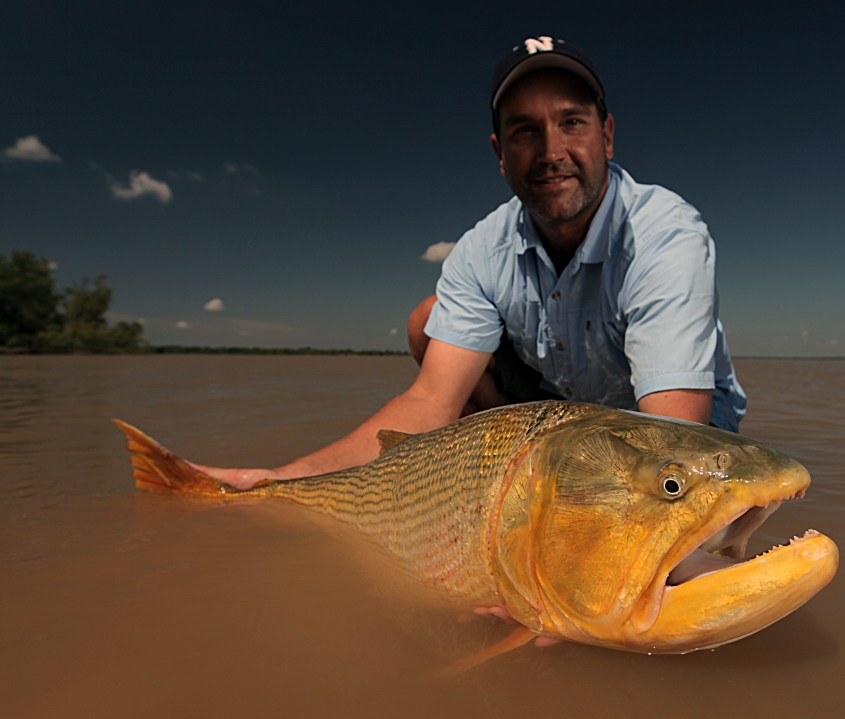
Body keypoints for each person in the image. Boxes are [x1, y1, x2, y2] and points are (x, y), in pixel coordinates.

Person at [203, 37, 746, 490]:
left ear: (606, 135)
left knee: (680, 538)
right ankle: (495, 487)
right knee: (427, 320)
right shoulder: (481, 248)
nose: (551, 150)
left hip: (681, 427)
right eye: (525, 130)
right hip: (564, 416)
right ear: (499, 151)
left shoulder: (663, 233)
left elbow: (672, 441)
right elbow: (430, 403)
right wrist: (282, 478)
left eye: (572, 122)